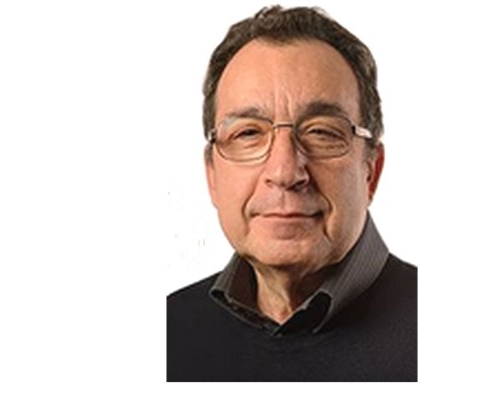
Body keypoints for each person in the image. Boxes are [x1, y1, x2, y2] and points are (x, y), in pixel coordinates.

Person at [167, 5, 417, 382]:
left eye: (322, 132)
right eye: (248, 133)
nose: (285, 172)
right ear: (212, 175)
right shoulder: (166, 333)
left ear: (371, 171)